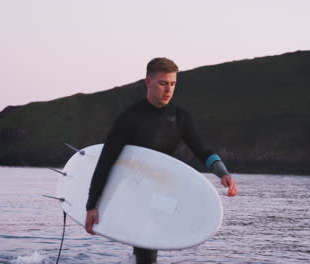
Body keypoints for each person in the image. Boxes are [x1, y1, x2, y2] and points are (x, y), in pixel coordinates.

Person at [84, 57, 238, 264]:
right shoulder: (130, 117)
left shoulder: (180, 117)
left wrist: (223, 173)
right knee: (147, 250)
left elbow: (202, 150)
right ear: (148, 82)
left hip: (160, 192)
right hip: (133, 192)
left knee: (148, 250)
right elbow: (106, 162)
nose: (168, 89)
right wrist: (92, 205)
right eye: (163, 83)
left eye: (173, 84)